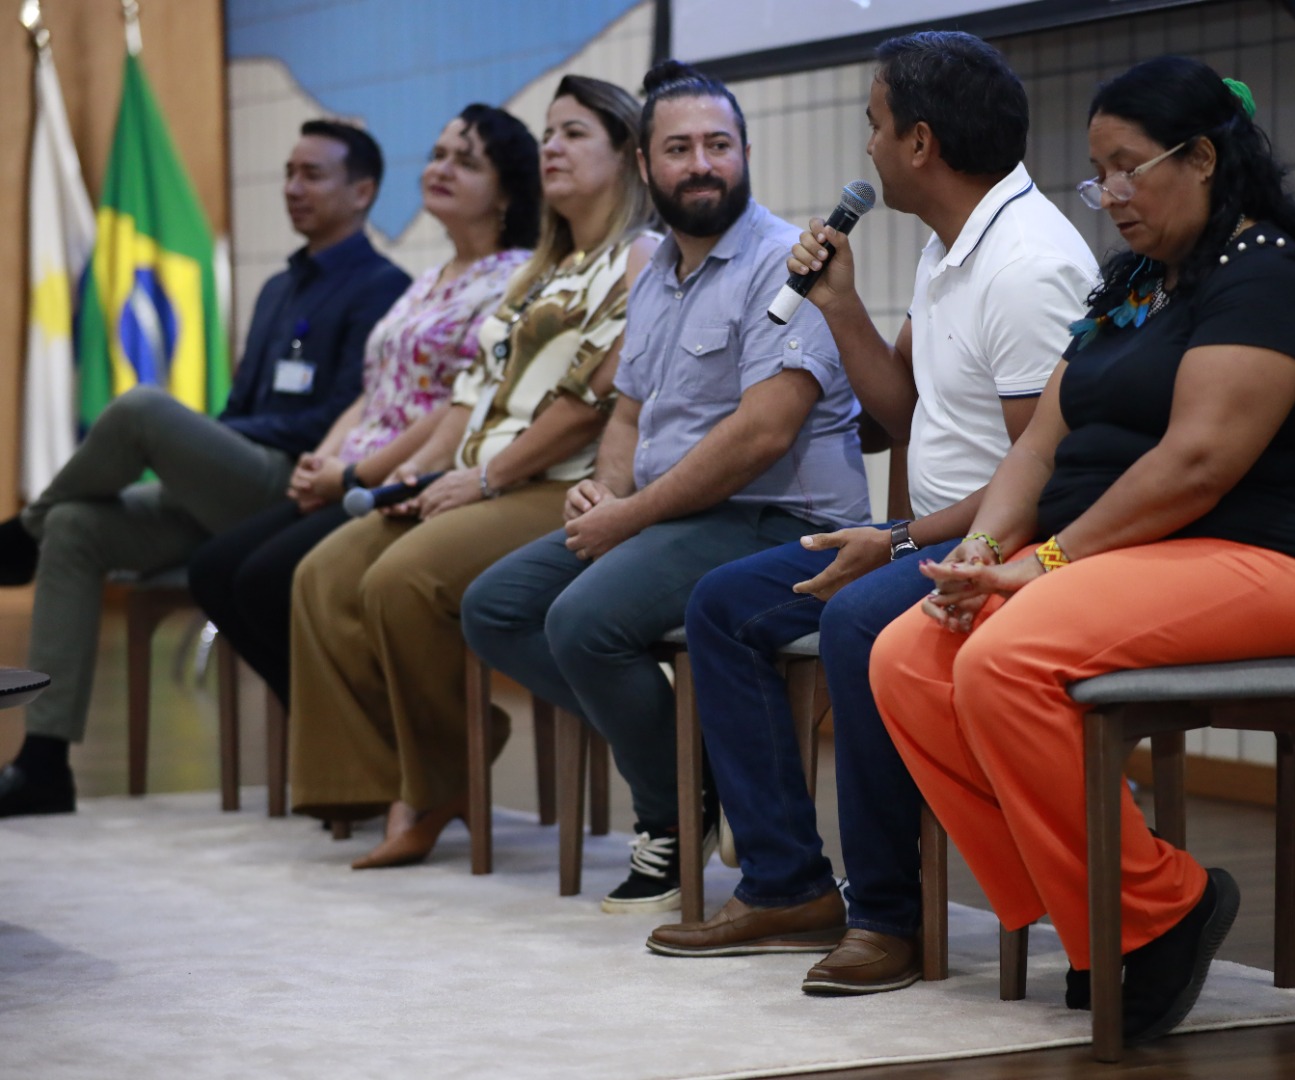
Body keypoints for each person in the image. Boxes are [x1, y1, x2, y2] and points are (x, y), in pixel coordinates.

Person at [866, 56, 1295, 1042]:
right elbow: (1041, 443)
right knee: (908, 659)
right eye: (1095, 175)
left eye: (1125, 170)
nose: (1107, 197)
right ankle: (1099, 920)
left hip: (1285, 565)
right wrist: (983, 552)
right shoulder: (1136, 283)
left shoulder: (1265, 273)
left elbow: (1197, 464)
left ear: (1199, 158)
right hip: (1153, 560)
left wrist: (1045, 564)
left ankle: (1159, 910)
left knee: (1009, 656)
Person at [645, 31, 1100, 995]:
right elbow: (902, 415)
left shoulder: (1026, 265)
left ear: (922, 143)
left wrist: (897, 540)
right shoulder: (951, 247)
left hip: (995, 551)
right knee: (724, 607)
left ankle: (890, 915)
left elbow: (1048, 475)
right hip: (921, 539)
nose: (868, 150)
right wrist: (839, 308)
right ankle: (787, 886)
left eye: (875, 126)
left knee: (856, 619)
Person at [461, 60, 869, 914]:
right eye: (678, 149)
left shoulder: (779, 262)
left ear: (745, 153)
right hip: (674, 517)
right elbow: (626, 416)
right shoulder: (654, 275)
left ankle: (672, 816)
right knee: (497, 606)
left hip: (774, 517)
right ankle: (702, 768)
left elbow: (765, 432)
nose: (701, 164)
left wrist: (628, 518)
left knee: (583, 620)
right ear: (647, 167)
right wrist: (602, 494)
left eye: (719, 145)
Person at [285, 76, 661, 870]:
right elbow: (468, 399)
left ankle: (434, 785)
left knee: (400, 581)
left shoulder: (640, 258)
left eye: (572, 134)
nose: (551, 147)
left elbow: (590, 403)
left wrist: (482, 481)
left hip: (561, 485)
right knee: (322, 573)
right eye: (548, 134)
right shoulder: (538, 272)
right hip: (485, 477)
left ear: (629, 157)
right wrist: (418, 477)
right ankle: (393, 771)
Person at [0, 120, 410, 818]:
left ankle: (20, 535)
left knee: (141, 411)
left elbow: (336, 420)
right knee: (76, 526)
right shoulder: (281, 287)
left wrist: (210, 438)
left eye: (312, 174)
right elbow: (242, 402)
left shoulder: (383, 287)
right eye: (288, 171)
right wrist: (212, 440)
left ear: (363, 191)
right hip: (233, 483)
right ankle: (43, 765)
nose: (292, 188)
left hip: (291, 487)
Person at [188, 104, 538, 709]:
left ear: (505, 190)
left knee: (268, 580)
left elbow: (458, 407)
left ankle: (376, 743)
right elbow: (373, 388)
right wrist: (319, 460)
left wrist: (352, 476)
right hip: (349, 465)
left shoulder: (516, 280)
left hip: (411, 474)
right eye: (438, 155)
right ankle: (351, 740)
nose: (441, 168)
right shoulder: (427, 279)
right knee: (214, 570)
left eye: (466, 160)